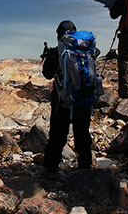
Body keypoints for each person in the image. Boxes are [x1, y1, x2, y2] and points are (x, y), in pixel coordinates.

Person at [42, 20, 95, 173]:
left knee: (58, 135)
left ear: (58, 35)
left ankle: (51, 168)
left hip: (62, 101)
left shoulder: (55, 52)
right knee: (82, 133)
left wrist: (49, 56)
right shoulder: (88, 49)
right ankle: (86, 166)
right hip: (83, 98)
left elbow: (47, 74)